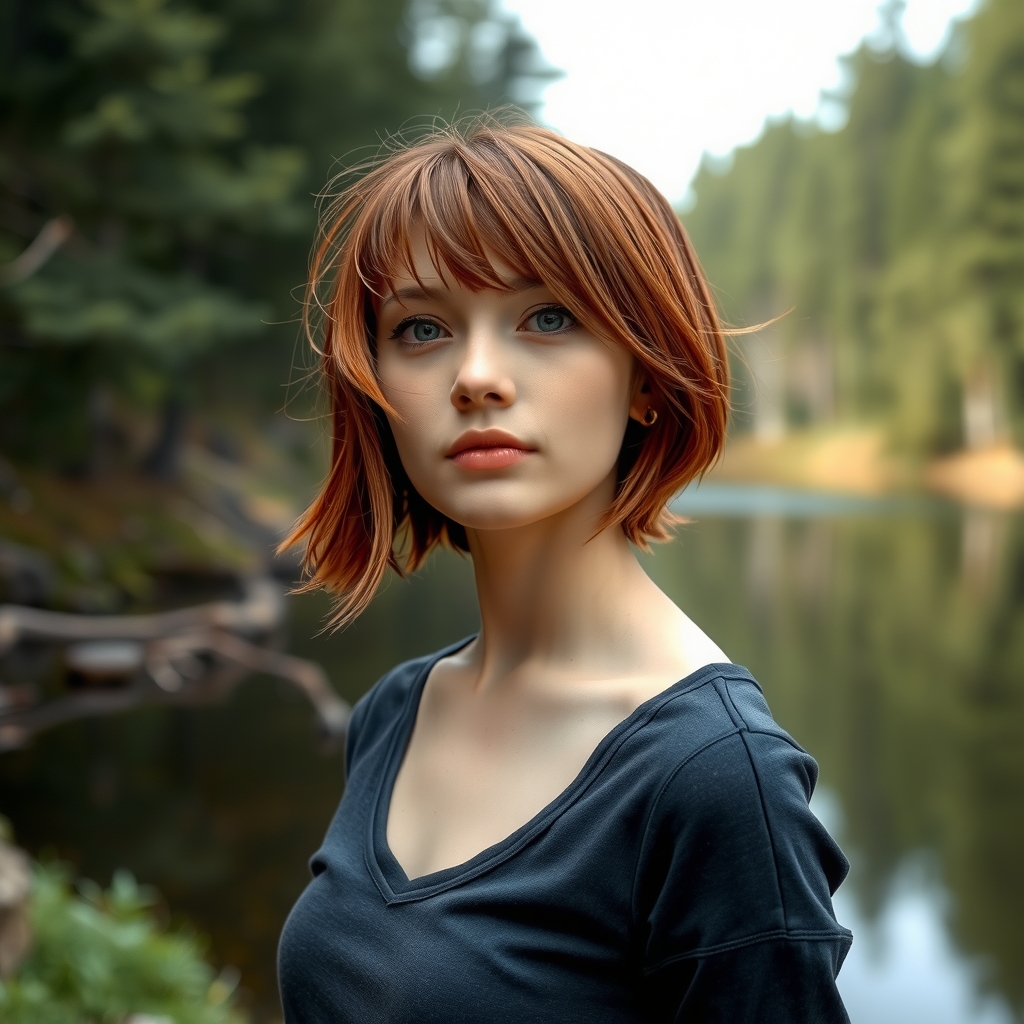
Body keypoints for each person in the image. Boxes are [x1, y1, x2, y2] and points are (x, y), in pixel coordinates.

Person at [277, 115, 852, 1023]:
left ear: (649, 377)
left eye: (548, 317)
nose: (476, 376)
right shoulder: (396, 711)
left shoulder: (713, 779)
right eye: (421, 328)